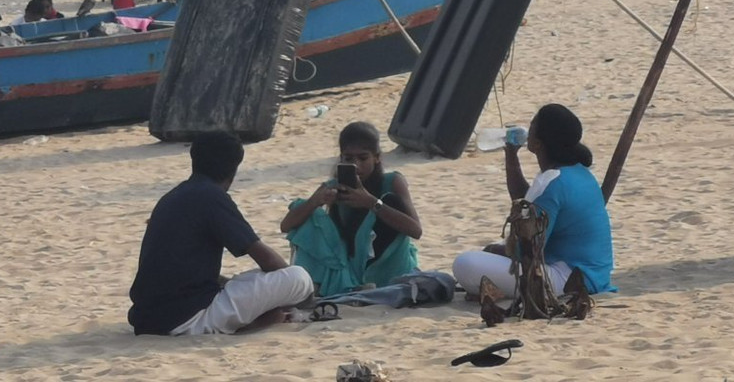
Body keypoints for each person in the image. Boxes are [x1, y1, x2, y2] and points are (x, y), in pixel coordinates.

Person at [128, 131, 313, 335]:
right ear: (233, 169)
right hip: (186, 319)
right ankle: (251, 323)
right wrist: (297, 293)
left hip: (146, 318)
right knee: (298, 277)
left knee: (240, 281)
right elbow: (269, 262)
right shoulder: (211, 197)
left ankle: (251, 317)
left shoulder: (172, 197)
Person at [452, 103, 615, 298]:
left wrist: (499, 251)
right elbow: (527, 202)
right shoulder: (576, 172)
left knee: (465, 263)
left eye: (532, 128)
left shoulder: (553, 181)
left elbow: (528, 249)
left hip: (570, 280)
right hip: (593, 275)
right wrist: (511, 157)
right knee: (491, 252)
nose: (527, 133)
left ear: (538, 143)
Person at [280, 122, 421, 296]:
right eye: (348, 159)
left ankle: (368, 281)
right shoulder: (334, 187)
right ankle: (313, 287)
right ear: (341, 158)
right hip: (351, 265)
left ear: (377, 157)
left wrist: (372, 203)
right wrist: (315, 202)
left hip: (389, 265)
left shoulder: (392, 182)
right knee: (309, 214)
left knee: (389, 202)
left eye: (363, 158)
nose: (356, 165)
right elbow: (286, 226)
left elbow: (416, 230)